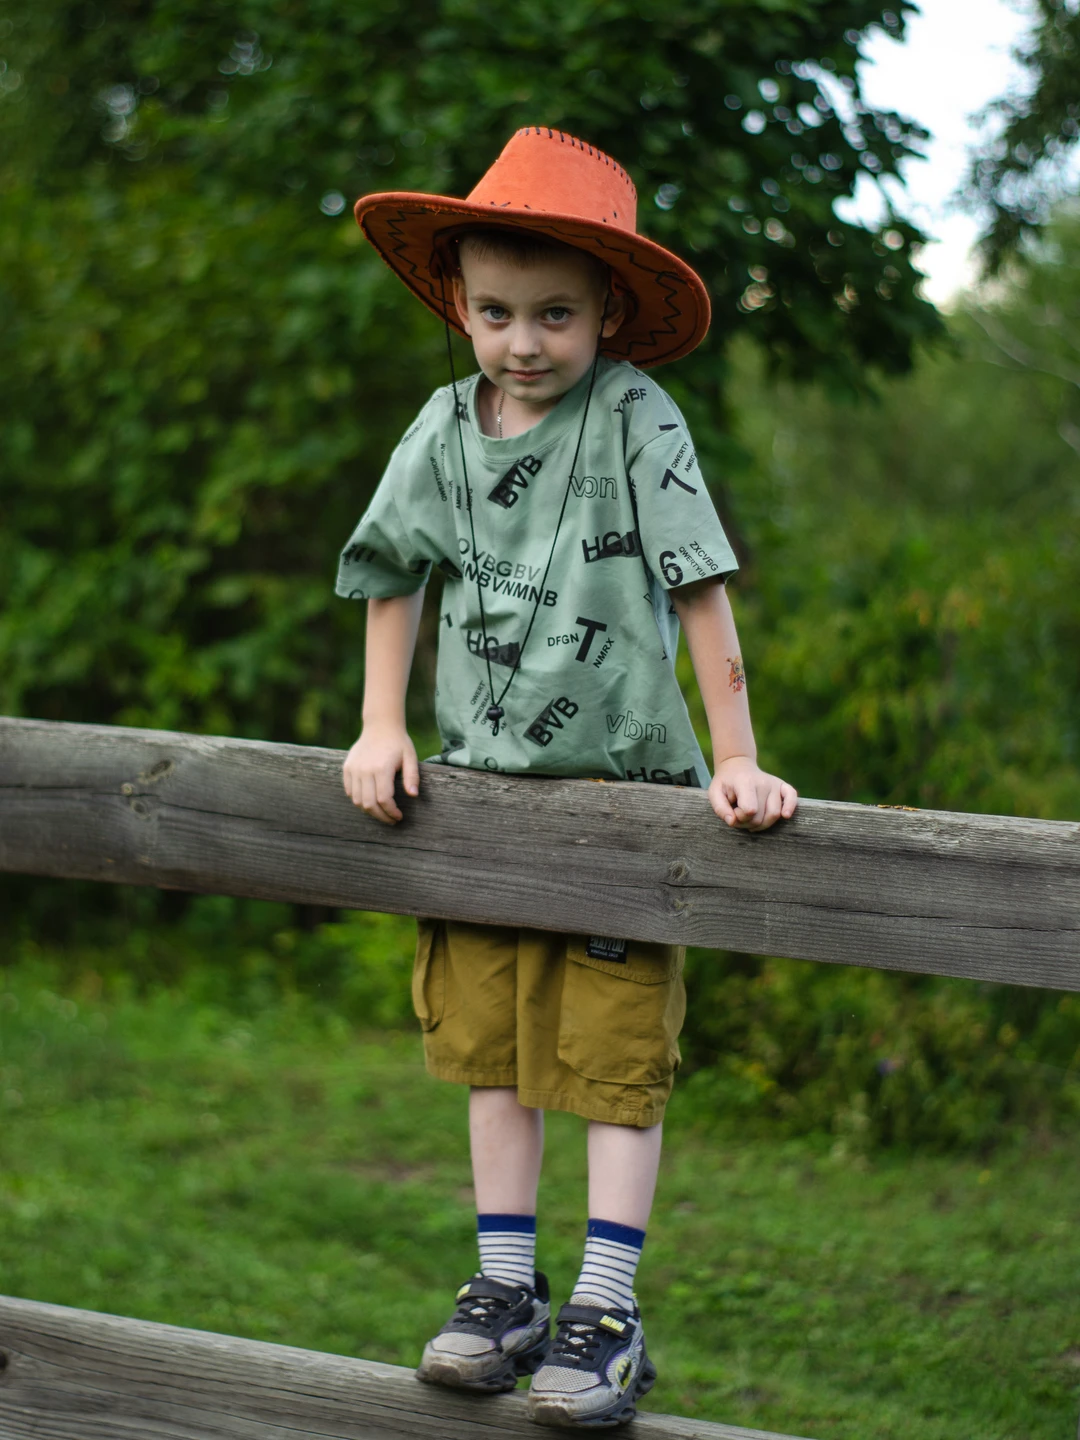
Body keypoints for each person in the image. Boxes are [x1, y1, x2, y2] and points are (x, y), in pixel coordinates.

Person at [337, 126, 797, 1429]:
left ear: (607, 313)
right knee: (491, 1054)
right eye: (493, 312)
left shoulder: (636, 415)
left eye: (553, 314)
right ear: (458, 306)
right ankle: (503, 1289)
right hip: (478, 799)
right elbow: (389, 573)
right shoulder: (441, 428)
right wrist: (383, 727)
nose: (522, 342)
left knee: (605, 1062)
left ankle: (605, 1306)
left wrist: (741, 758)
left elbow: (698, 586)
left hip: (623, 803)